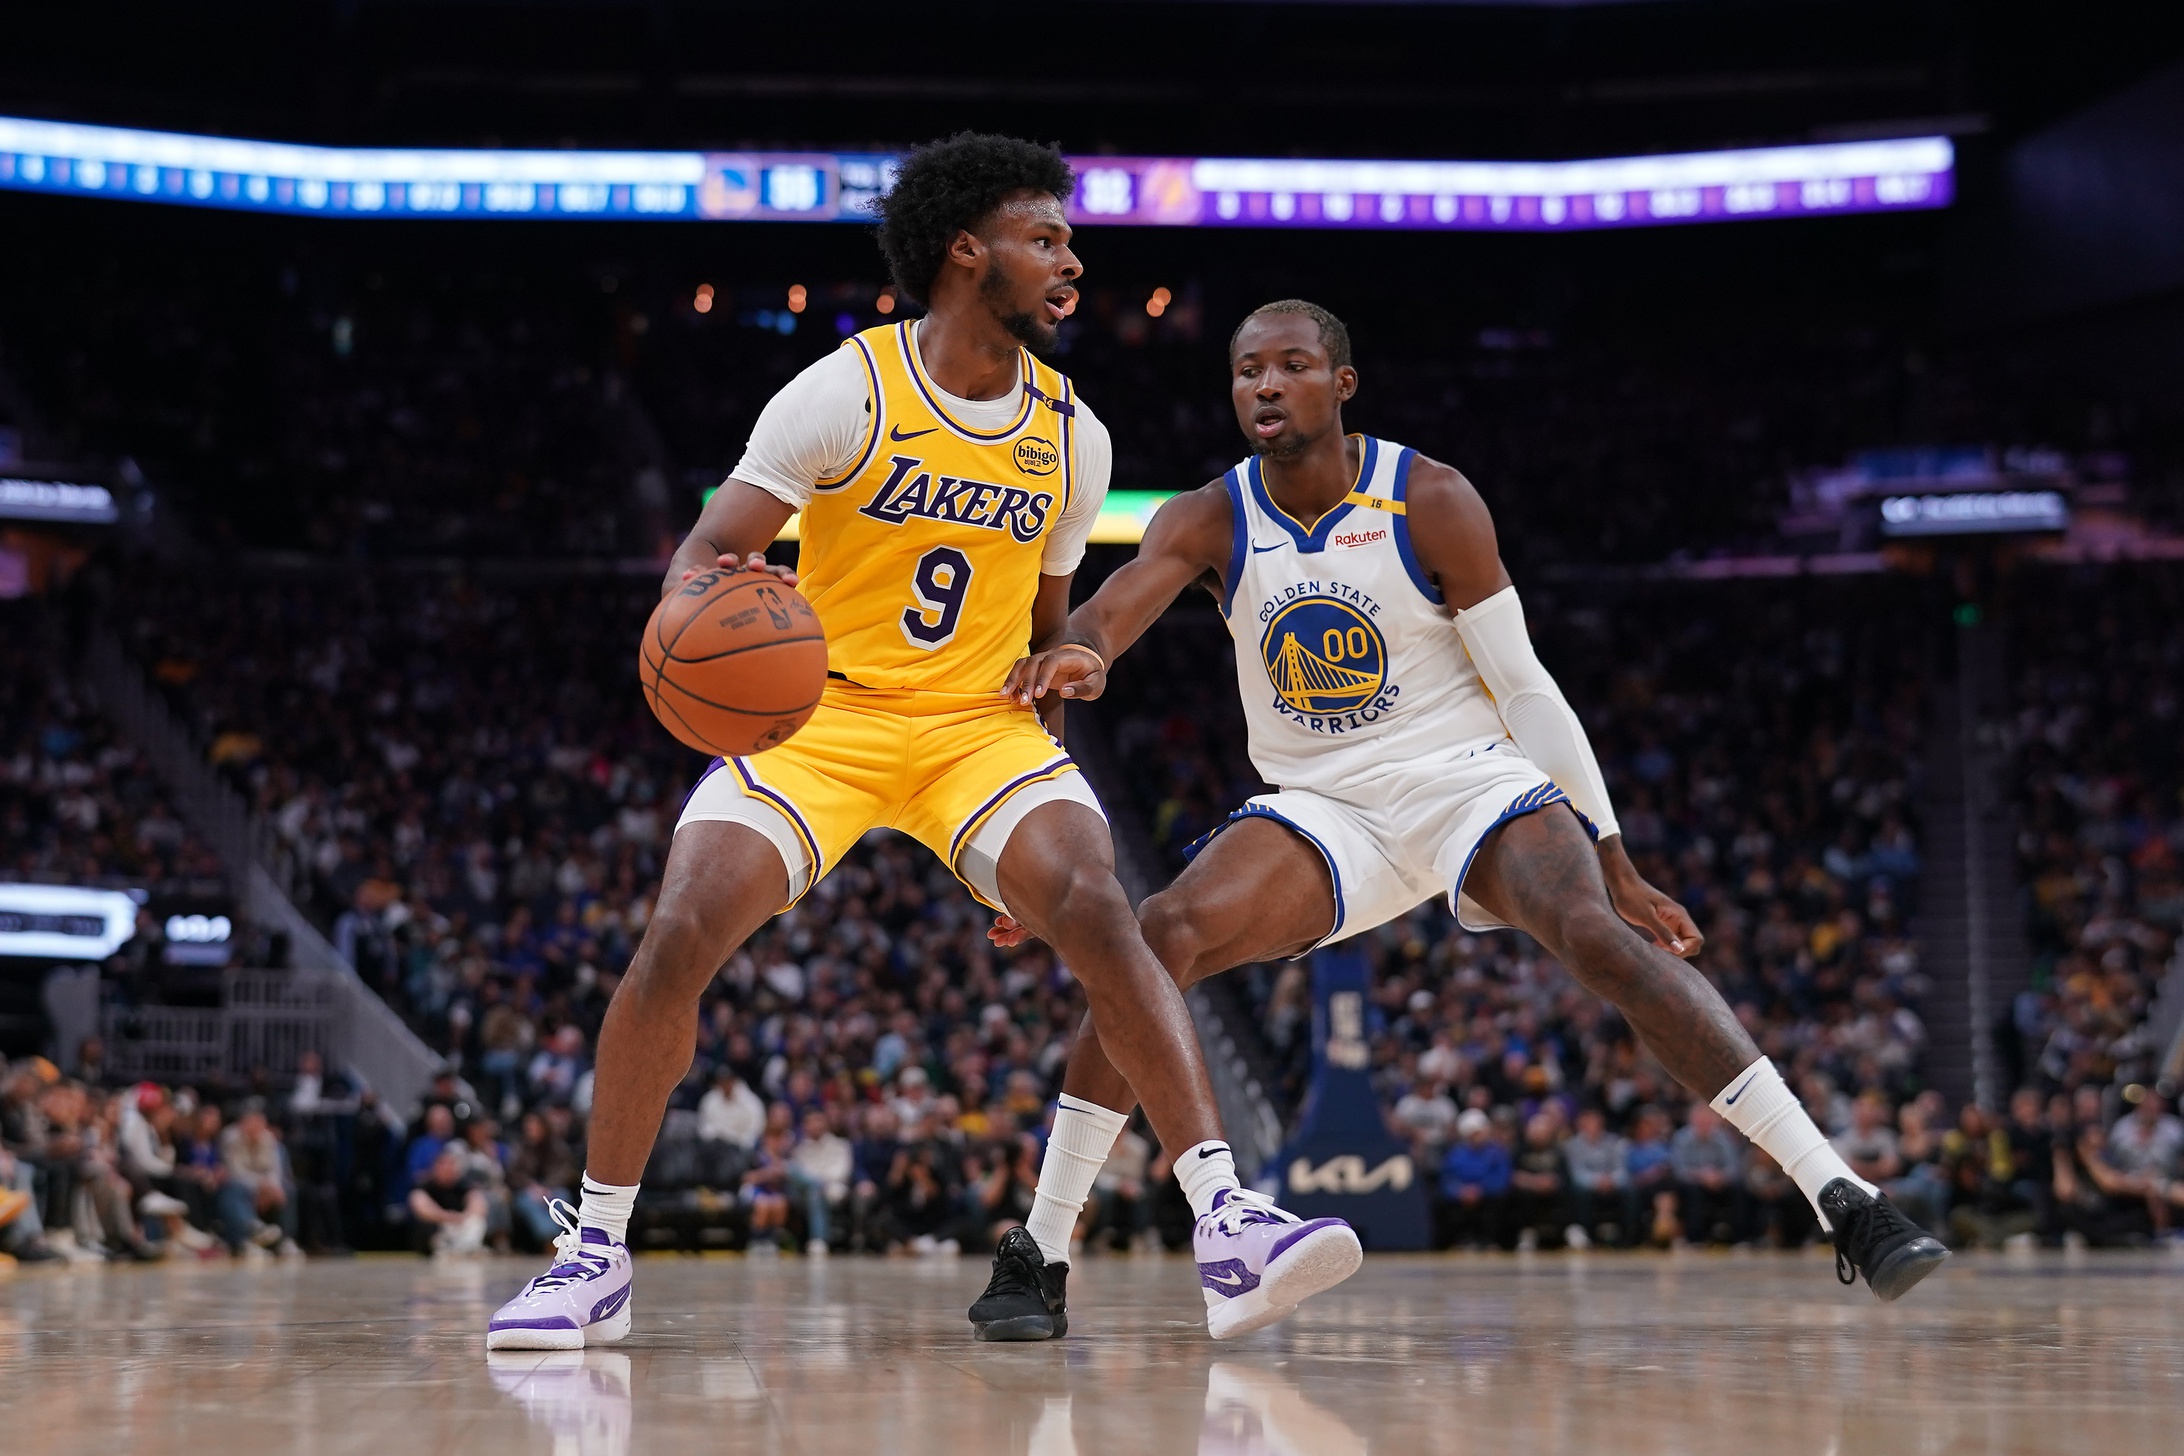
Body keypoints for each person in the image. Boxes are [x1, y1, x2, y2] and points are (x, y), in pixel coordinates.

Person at [488, 134, 1353, 1352]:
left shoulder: (1073, 432)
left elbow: (1046, 635)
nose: (1071, 257)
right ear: (966, 252)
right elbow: (699, 555)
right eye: (1043, 237)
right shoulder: (843, 391)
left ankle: (1226, 1219)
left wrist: (1027, 848)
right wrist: (703, 605)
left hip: (976, 731)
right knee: (679, 930)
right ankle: (595, 1252)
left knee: (1103, 907)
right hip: (820, 716)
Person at [997, 296, 1947, 1304]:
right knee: (1157, 931)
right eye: (1246, 372)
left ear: (1341, 383)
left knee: (1594, 933)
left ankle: (1843, 1193)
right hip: (1324, 806)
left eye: (1290, 366)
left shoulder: (1432, 497)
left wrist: (1613, 848)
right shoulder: (1213, 513)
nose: (1266, 386)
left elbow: (1526, 684)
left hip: (1467, 777)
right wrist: (1080, 653)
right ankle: (1041, 1251)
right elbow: (1108, 611)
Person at [409, 1143, 488, 1257]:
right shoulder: (424, 1186)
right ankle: (458, 1249)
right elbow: (420, 1206)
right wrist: (448, 1217)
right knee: (427, 1227)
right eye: (444, 1164)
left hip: (459, 1227)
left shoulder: (463, 1186)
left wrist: (464, 1217)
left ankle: (463, 1249)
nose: (448, 1168)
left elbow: (479, 1204)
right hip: (438, 1228)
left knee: (476, 1223)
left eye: (451, 1164)